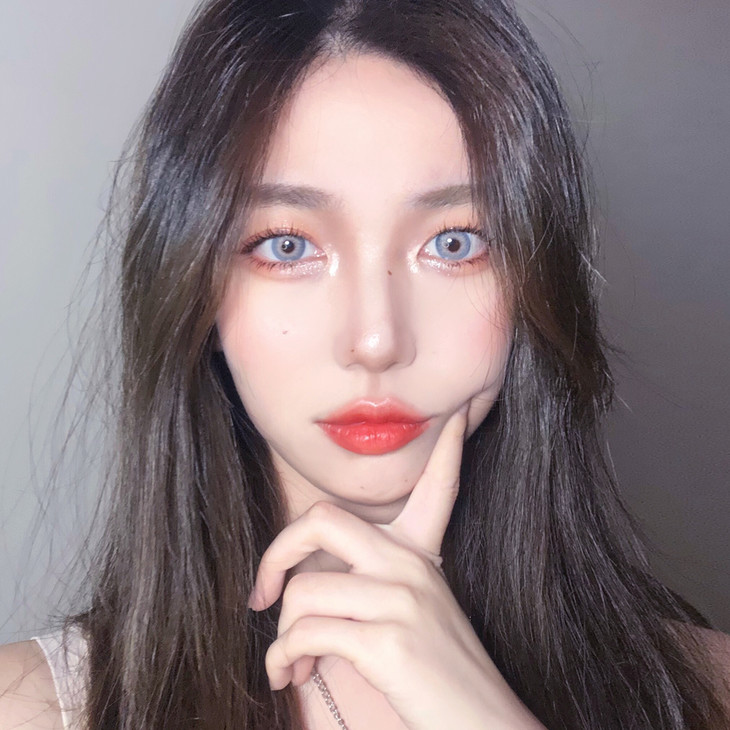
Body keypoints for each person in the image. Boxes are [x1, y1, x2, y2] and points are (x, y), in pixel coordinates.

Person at [0, 0, 728, 728]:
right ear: (198, 292)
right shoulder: (29, 708)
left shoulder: (710, 690)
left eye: (454, 243)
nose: (376, 341)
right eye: (286, 245)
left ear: (536, 281)